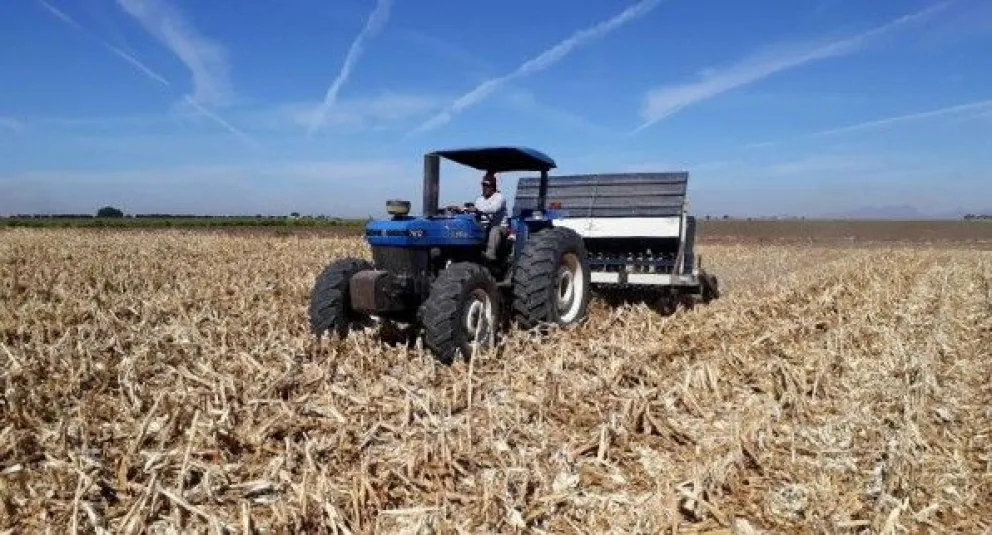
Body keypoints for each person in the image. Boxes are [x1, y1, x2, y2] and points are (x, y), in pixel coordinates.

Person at [467, 171, 506, 261]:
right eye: (483, 185)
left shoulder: (499, 197)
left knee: (495, 230)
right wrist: (465, 209)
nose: (484, 187)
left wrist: (477, 210)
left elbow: (493, 208)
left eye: (487, 185)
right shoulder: (479, 199)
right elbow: (474, 212)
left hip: (499, 227)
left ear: (493, 186)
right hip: (483, 227)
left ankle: (490, 255)